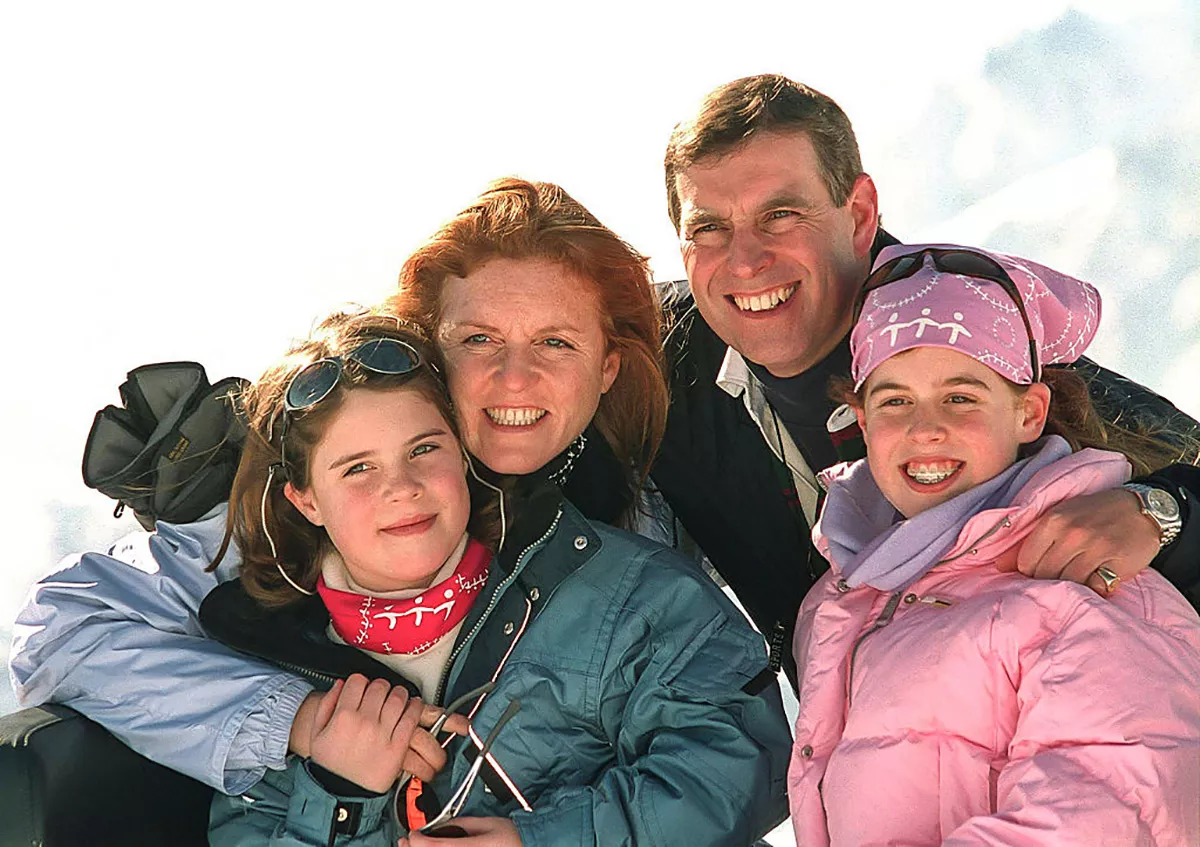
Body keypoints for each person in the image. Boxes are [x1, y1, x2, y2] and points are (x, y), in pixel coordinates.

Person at [9, 181, 790, 842]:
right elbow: (62, 631)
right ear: (431, 349)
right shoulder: (282, 540)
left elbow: (733, 754)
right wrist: (306, 732)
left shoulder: (631, 557)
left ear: (606, 363)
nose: (514, 379)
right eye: (480, 338)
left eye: (554, 342)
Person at [651, 73, 1200, 687]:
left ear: (859, 214)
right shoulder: (656, 368)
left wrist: (1163, 509)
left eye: (780, 215)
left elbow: (1183, 455)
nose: (745, 260)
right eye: (708, 228)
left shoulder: (964, 329)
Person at [198, 309, 788, 845]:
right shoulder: (272, 676)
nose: (401, 487)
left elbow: (741, 768)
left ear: (462, 450)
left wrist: (546, 840)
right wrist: (335, 793)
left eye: (424, 449)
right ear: (305, 500)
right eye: (357, 469)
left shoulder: (629, 592)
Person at [786, 243, 1200, 845]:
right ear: (863, 423)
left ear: (1029, 413)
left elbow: (1108, 806)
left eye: (961, 397)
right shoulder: (850, 591)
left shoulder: (1087, 580)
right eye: (895, 400)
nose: (926, 427)